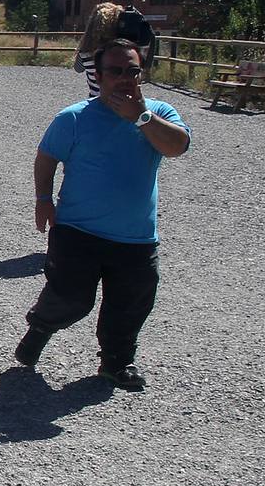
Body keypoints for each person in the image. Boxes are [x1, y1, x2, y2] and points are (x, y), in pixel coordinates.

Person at [15, 38, 191, 390]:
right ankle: (42, 326)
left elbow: (177, 147)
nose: (124, 78)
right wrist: (42, 199)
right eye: (115, 71)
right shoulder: (74, 117)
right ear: (99, 75)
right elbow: (46, 157)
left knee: (131, 303)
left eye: (132, 71)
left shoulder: (160, 113)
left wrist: (141, 117)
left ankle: (117, 362)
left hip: (136, 235)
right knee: (71, 298)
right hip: (77, 230)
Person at [75, 3, 123, 98]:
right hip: (121, 102)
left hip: (95, 101)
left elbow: (78, 68)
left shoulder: (86, 51)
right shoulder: (124, 52)